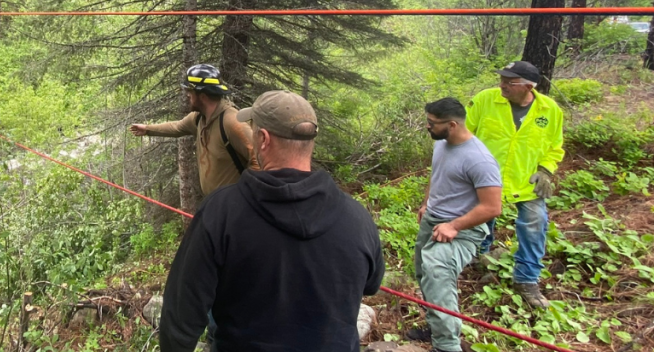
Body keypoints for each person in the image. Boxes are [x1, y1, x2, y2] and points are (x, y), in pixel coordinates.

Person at [159, 90, 385, 352]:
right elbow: (372, 283)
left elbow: (181, 316)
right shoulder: (357, 217)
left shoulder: (220, 213)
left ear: (263, 139)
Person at [467, 61, 564, 308]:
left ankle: (527, 280)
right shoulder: (485, 100)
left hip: (525, 180)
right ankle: (479, 258)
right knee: (481, 219)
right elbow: (464, 134)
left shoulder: (550, 110)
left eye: (510, 82)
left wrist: (545, 171)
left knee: (534, 225)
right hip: (485, 178)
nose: (502, 85)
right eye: (502, 80)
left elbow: (554, 146)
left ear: (528, 86)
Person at [408, 98, 502, 352]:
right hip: (433, 221)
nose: (427, 127)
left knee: (437, 273)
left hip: (462, 229)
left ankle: (447, 346)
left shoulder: (479, 159)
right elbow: (437, 173)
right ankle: (436, 325)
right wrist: (427, 202)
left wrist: (454, 225)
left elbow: (492, 207)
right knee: (424, 274)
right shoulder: (442, 143)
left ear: (451, 124)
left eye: (431, 123)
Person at [130, 64, 255, 196]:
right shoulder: (198, 118)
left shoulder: (231, 122)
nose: (187, 94)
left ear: (203, 96)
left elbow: (259, 157)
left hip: (235, 208)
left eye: (190, 91)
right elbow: (176, 127)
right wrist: (147, 129)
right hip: (215, 207)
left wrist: (246, 194)